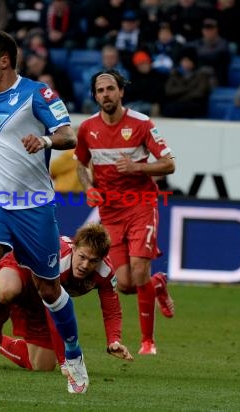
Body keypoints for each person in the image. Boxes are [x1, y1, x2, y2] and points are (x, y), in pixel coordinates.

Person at [0, 31, 89, 394]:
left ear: (4, 61)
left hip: (34, 207)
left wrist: (43, 140)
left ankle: (73, 357)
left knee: (49, 288)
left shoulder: (37, 94)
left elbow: (69, 136)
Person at [75, 69, 176, 355]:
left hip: (141, 204)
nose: (105, 95)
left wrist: (138, 167)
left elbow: (169, 164)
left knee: (140, 269)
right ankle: (158, 285)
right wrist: (88, 188)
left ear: (121, 92)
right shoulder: (87, 129)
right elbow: (80, 164)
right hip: (110, 213)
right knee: (127, 285)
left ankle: (148, 343)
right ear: (94, 95)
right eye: (100, 91)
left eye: (110, 89)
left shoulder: (142, 124)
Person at [0, 223, 138, 372]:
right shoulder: (59, 262)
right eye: (82, 257)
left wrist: (114, 341)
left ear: (101, 259)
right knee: (7, 290)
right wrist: (67, 362)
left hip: (42, 297)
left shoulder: (106, 273)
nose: (85, 265)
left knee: (42, 365)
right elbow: (55, 314)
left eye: (93, 261)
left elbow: (112, 310)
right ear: (74, 248)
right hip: (20, 270)